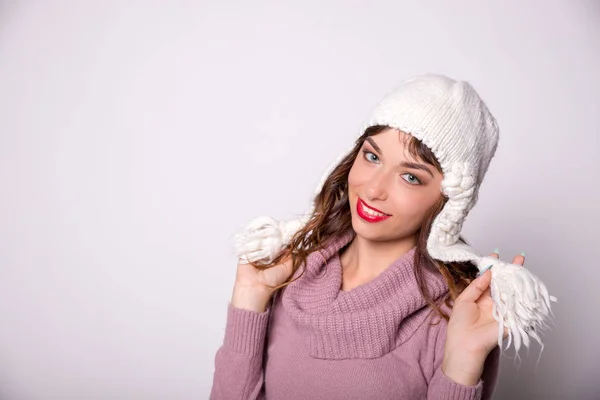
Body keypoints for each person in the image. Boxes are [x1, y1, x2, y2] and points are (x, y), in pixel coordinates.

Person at [209, 74, 552, 399]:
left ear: (448, 203)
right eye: (372, 157)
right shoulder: (290, 273)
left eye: (411, 177)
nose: (373, 189)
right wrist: (249, 297)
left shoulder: (455, 317)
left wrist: (462, 363)